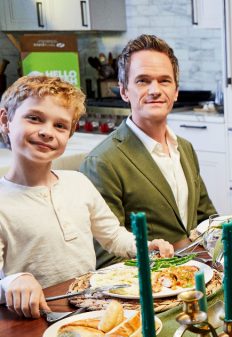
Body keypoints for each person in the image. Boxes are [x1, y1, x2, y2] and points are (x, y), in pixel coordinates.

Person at [0, 75, 174, 318]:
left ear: (69, 135)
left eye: (60, 126)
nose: (47, 132)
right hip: (30, 320)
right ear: (6, 120)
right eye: (34, 118)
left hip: (88, 308)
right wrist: (13, 280)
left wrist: (144, 247)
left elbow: (113, 236)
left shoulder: (78, 183)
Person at [80, 34, 216, 268]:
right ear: (124, 91)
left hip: (200, 280)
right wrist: (176, 260)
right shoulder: (103, 162)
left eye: (164, 81)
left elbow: (206, 220)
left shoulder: (184, 148)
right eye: (143, 81)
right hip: (149, 292)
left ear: (175, 91)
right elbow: (106, 258)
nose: (155, 90)